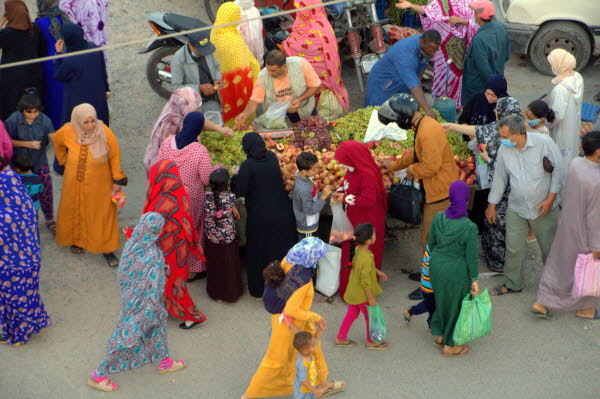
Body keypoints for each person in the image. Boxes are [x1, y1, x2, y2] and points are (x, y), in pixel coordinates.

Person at [87, 213, 186, 392]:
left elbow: (125, 273)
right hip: (145, 305)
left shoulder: (135, 243)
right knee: (128, 336)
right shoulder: (150, 254)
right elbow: (155, 284)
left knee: (158, 329)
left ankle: (165, 362)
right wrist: (162, 274)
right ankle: (99, 373)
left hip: (135, 299)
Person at [242, 238, 343, 399]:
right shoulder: (303, 281)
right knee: (276, 362)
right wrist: (316, 317)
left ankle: (321, 382)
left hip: (291, 321)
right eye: (318, 256)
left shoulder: (290, 258)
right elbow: (291, 309)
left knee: (314, 349)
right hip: (289, 324)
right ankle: (249, 395)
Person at [383, 93, 457, 295]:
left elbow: (430, 167)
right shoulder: (423, 125)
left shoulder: (427, 131)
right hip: (433, 190)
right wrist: (394, 165)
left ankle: (430, 285)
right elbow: (416, 154)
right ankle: (428, 273)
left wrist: (409, 171)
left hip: (440, 193)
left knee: (430, 240)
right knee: (428, 238)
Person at [485, 114, 564, 296]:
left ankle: (555, 287)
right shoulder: (505, 151)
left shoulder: (544, 143)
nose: (502, 140)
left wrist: (550, 199)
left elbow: (559, 172)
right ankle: (513, 283)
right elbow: (500, 179)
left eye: (505, 136)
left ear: (519, 133)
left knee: (549, 250)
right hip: (517, 207)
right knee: (513, 249)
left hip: (543, 208)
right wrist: (491, 205)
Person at [442, 96, 523, 272]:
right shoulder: (500, 127)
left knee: (501, 225)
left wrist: (487, 158)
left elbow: (511, 166)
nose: (494, 112)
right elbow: (476, 130)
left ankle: (500, 263)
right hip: (497, 187)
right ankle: (493, 255)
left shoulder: (519, 135)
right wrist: (452, 126)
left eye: (498, 110)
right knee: (493, 222)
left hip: (509, 189)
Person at [532, 131, 600, 320]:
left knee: (558, 264)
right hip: (584, 234)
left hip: (567, 223)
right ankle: (585, 309)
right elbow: (595, 218)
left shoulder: (576, 164)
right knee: (584, 272)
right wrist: (597, 246)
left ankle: (541, 302)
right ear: (597, 151)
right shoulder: (597, 181)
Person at [53, 103, 127, 266]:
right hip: (73, 182)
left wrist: (117, 181)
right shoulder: (68, 130)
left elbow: (114, 157)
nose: (90, 126)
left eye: (92, 121)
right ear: (78, 121)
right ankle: (77, 241)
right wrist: (63, 160)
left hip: (99, 184)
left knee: (101, 215)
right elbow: (56, 141)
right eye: (85, 122)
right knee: (75, 210)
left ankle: (107, 249)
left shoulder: (105, 132)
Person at [143, 160, 208, 329]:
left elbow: (152, 227)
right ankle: (164, 307)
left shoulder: (162, 201)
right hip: (179, 247)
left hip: (168, 249)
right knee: (171, 280)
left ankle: (191, 315)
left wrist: (132, 235)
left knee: (173, 282)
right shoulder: (179, 192)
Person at [231, 132, 297, 298]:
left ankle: (259, 289)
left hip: (260, 217)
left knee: (259, 252)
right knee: (279, 250)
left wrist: (234, 177)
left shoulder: (248, 165)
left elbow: (240, 189)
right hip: (281, 212)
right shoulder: (272, 156)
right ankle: (283, 287)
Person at [156, 111, 218, 279]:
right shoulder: (199, 151)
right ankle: (191, 271)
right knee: (192, 233)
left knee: (173, 230)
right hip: (190, 200)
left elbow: (159, 168)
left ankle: (172, 263)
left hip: (169, 196)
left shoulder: (167, 143)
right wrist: (219, 168)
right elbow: (207, 179)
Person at [0, 158, 52, 346]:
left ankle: (18, 336)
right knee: (28, 295)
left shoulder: (3, 216)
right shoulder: (22, 200)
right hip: (30, 259)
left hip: (10, 267)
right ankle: (29, 326)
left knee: (12, 300)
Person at [428, 180, 480, 356]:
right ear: (466, 199)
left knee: (442, 300)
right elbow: (471, 257)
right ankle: (451, 345)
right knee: (456, 305)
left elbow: (431, 242)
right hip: (456, 270)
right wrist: (474, 280)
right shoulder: (470, 227)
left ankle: (441, 335)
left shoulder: (438, 217)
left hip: (436, 267)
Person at [395, 0, 478, 109]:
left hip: (462, 51)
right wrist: (411, 6)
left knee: (459, 80)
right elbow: (427, 12)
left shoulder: (473, 3)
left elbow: (481, 22)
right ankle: (440, 107)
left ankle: (455, 106)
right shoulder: (442, 2)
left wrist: (463, 21)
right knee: (442, 79)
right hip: (443, 51)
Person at [332, 140, 388, 299]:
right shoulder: (353, 169)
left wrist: (345, 198)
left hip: (366, 220)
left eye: (344, 161)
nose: (342, 164)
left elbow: (368, 200)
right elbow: (346, 184)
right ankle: (348, 288)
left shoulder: (367, 174)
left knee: (363, 255)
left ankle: (362, 293)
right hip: (353, 218)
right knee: (350, 253)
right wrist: (339, 191)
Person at [143, 87, 232, 174]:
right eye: (195, 108)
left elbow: (197, 119)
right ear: (184, 107)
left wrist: (220, 129)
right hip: (162, 172)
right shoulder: (171, 126)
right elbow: (176, 160)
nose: (197, 110)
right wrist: (197, 149)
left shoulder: (177, 109)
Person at [282, 0, 349, 113]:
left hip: (319, 73)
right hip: (324, 71)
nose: (299, 10)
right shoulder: (320, 20)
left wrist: (286, 44)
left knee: (316, 98)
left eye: (301, 7)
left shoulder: (313, 27)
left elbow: (299, 45)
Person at [5, 93, 55, 231]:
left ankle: (49, 219)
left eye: (36, 111)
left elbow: (54, 138)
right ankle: (25, 221)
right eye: (29, 112)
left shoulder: (45, 120)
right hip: (20, 167)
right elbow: (6, 142)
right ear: (22, 109)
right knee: (22, 195)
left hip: (40, 162)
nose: (33, 115)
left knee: (46, 192)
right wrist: (28, 144)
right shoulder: (13, 120)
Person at [335, 223, 390, 350]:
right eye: (374, 234)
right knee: (369, 317)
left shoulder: (359, 250)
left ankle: (341, 337)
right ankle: (371, 341)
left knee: (352, 313)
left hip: (353, 291)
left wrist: (377, 272)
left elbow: (363, 269)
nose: (376, 235)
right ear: (369, 240)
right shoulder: (366, 257)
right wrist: (371, 299)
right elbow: (365, 281)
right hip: (362, 295)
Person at [234, 50, 322, 128]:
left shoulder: (300, 64)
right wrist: (245, 113)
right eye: (268, 69)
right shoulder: (263, 76)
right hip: (278, 117)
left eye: (273, 70)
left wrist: (300, 99)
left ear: (284, 67)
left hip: (305, 111)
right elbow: (255, 100)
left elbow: (315, 85)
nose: (269, 73)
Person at [364, 30, 441, 117]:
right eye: (431, 50)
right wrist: (428, 109)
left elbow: (423, 64)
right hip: (384, 84)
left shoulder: (427, 43)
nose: (433, 53)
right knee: (379, 114)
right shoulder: (406, 56)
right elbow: (414, 86)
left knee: (399, 112)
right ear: (421, 42)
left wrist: (417, 99)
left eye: (436, 50)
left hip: (401, 80)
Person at [210, 2, 260, 123]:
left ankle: (231, 125)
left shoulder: (216, 31)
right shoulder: (231, 37)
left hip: (222, 79)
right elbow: (243, 58)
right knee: (239, 106)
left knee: (227, 103)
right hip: (238, 80)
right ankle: (241, 125)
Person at [54, 23, 110, 125]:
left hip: (78, 100)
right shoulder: (94, 48)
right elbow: (103, 71)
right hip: (97, 96)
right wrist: (106, 89)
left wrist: (58, 54)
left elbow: (58, 76)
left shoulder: (71, 59)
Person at [0, 0, 47, 121]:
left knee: (12, 108)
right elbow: (43, 53)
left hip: (11, 81)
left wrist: (1, 22)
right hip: (34, 77)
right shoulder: (36, 29)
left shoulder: (7, 33)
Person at [204, 168, 244, 303]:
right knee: (229, 265)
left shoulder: (207, 195)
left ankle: (216, 294)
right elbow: (229, 203)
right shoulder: (231, 197)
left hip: (211, 237)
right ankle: (230, 293)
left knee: (215, 265)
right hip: (227, 237)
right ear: (226, 184)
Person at [460, 0, 510, 107]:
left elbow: (484, 69)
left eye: (474, 12)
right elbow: (506, 55)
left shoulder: (479, 38)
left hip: (479, 87)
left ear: (478, 16)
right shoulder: (501, 27)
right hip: (496, 78)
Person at [35, 0, 71, 129]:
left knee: (53, 99)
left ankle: (56, 129)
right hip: (66, 60)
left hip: (49, 65)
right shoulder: (64, 16)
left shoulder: (39, 23)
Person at [171, 27, 223, 111]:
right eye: (200, 51)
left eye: (206, 49)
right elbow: (176, 88)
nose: (205, 53)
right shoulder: (178, 59)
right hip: (195, 104)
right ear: (190, 45)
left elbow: (217, 66)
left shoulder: (207, 50)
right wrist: (199, 88)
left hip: (213, 97)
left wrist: (217, 78)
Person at [547, 48, 583, 165]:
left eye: (552, 64)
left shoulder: (560, 89)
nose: (551, 67)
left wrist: (547, 125)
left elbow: (557, 115)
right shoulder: (577, 77)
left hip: (562, 128)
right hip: (573, 123)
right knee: (571, 149)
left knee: (561, 157)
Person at [293, 151, 333, 241]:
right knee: (309, 249)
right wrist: (324, 196)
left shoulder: (300, 176)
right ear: (304, 172)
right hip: (308, 226)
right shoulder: (304, 189)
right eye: (314, 169)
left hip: (308, 222)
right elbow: (310, 210)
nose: (317, 171)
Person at [293, 330, 341, 399]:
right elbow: (304, 381)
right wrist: (315, 390)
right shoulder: (302, 365)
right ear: (305, 351)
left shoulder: (307, 354)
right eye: (313, 345)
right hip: (304, 391)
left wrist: (320, 329)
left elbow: (316, 340)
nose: (315, 345)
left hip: (311, 385)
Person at [403, 245, 436, 329]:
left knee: (430, 305)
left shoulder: (430, 247)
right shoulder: (435, 252)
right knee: (431, 306)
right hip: (431, 287)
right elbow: (432, 270)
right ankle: (430, 326)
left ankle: (410, 312)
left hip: (426, 284)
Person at [235, 0, 264, 66]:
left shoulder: (255, 11)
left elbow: (259, 36)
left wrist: (260, 60)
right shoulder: (233, 11)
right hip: (240, 57)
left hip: (254, 54)